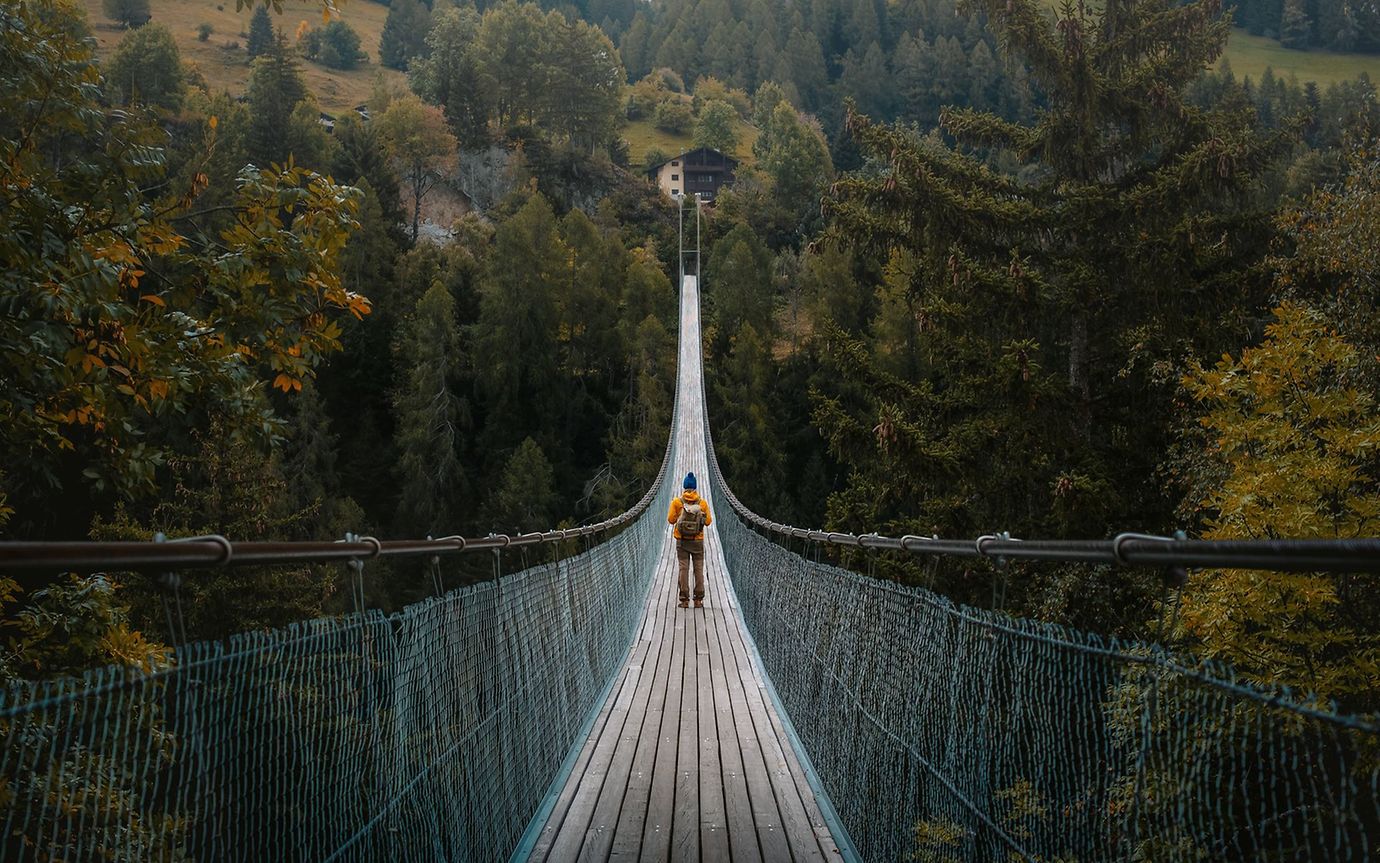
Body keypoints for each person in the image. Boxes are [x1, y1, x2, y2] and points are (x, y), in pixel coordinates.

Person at [667, 471, 712, 608]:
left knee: (683, 569)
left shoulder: (677, 502)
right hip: (697, 541)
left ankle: (684, 600)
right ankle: (698, 600)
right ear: (695, 487)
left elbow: (670, 520)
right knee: (698, 569)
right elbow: (708, 521)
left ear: (684, 487)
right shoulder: (702, 503)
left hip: (682, 541)